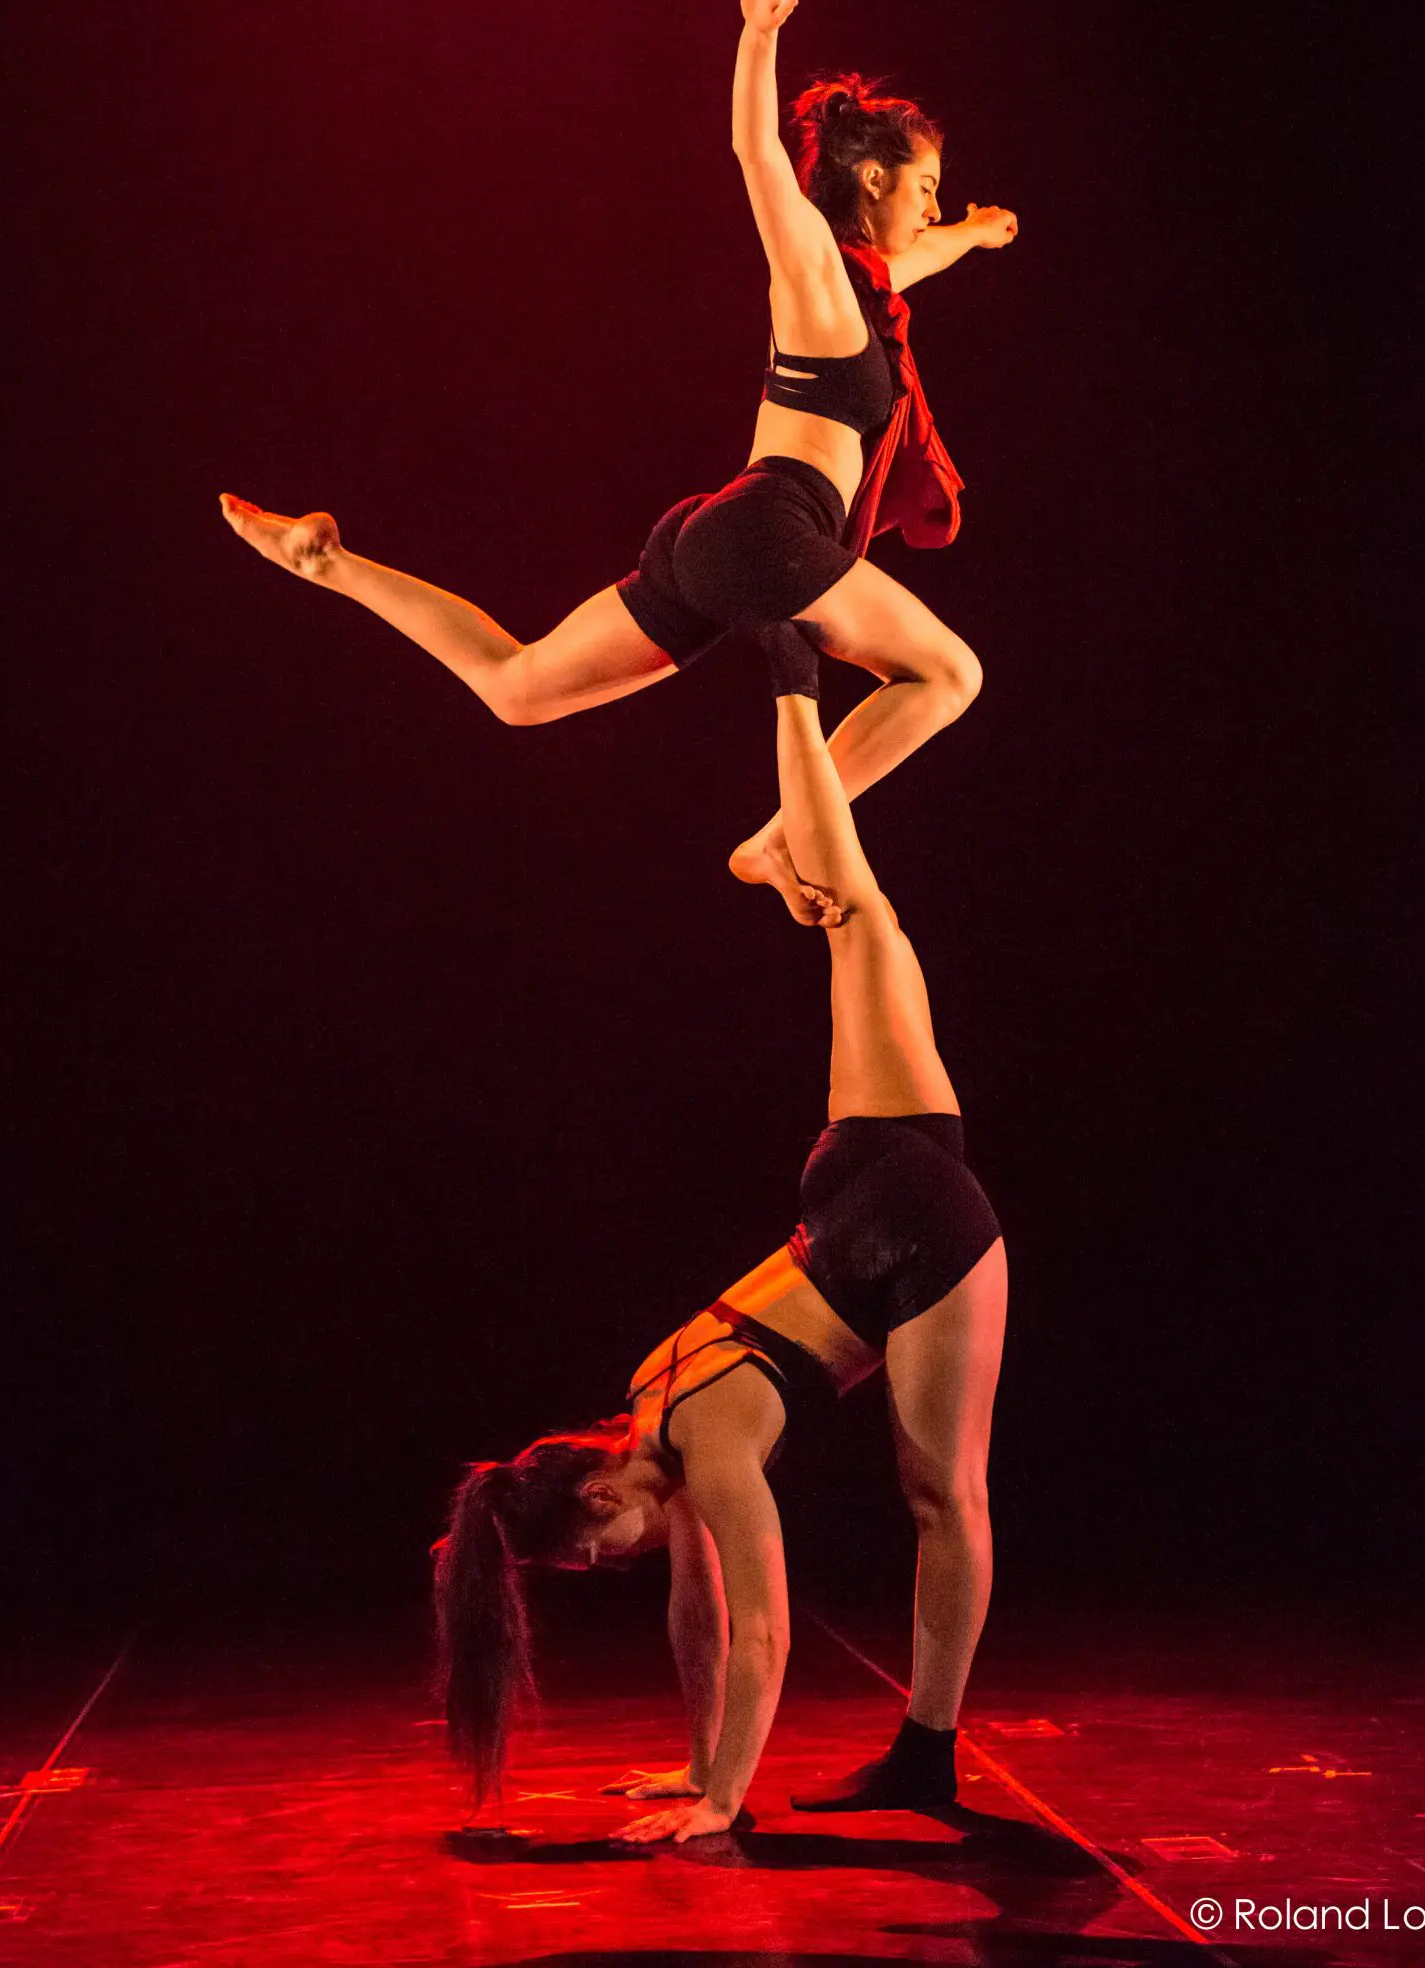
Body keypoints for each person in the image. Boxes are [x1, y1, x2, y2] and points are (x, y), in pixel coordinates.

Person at [219, 0, 1017, 917]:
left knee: (517, 688)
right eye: (926, 186)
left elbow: (918, 258)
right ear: (875, 180)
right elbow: (757, 160)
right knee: (948, 673)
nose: (933, 206)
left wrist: (974, 233)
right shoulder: (812, 268)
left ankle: (329, 561)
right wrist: (757, 37)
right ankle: (777, 839)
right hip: (769, 532)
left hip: (713, 535)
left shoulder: (864, 290)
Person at [432, 625, 1008, 1839]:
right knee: (925, 1488)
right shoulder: (658, 1421)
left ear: (598, 1491)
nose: (627, 1559)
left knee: (945, 1495)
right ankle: (927, 1758)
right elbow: (700, 1618)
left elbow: (766, 1625)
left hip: (911, 1202)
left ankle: (794, 688)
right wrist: (698, 1774)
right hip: (861, 1201)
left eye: (600, 1554)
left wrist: (725, 1805)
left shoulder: (703, 1428)